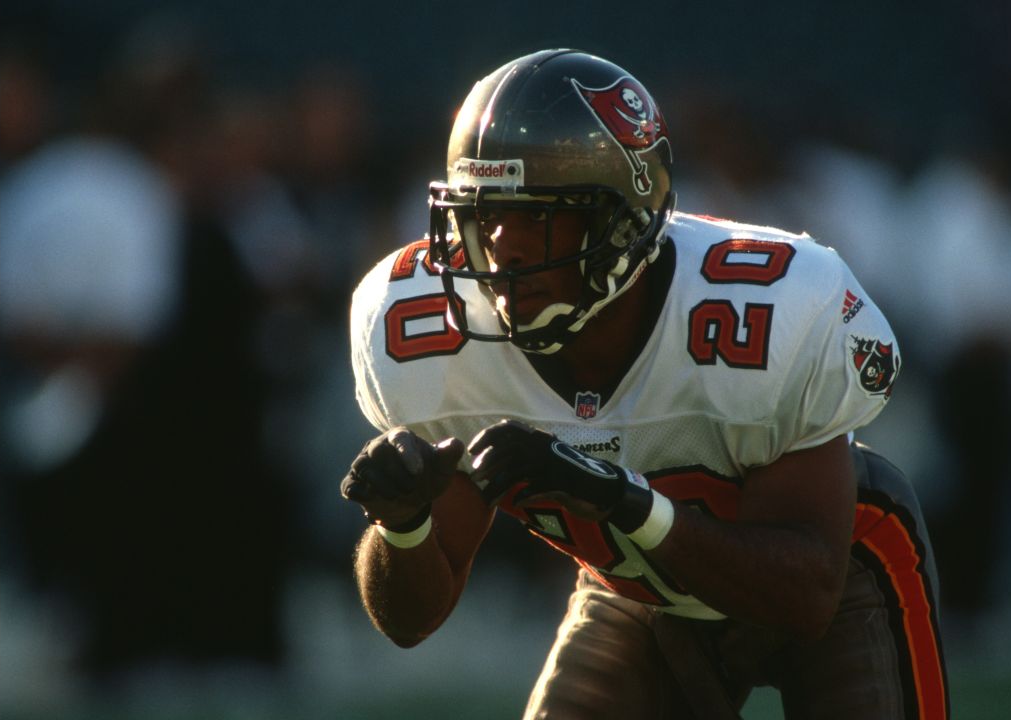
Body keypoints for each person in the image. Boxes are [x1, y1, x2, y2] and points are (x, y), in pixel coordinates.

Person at [342, 49, 947, 719]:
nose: (503, 247)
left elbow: (806, 598)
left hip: (838, 569)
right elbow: (409, 622)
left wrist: (619, 498)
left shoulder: (771, 307)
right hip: (638, 590)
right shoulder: (426, 334)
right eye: (483, 215)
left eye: (537, 215)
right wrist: (400, 526)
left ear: (622, 220)